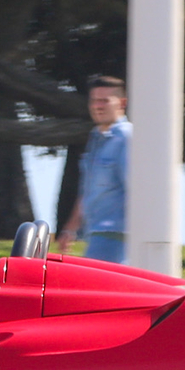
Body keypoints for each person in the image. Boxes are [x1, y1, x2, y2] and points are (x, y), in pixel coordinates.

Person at [58, 76, 129, 262]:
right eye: (94, 100)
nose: (98, 106)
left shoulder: (127, 138)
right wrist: (70, 229)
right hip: (97, 234)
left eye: (105, 100)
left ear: (122, 103)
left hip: (117, 235)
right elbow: (88, 189)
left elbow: (137, 190)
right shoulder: (96, 137)